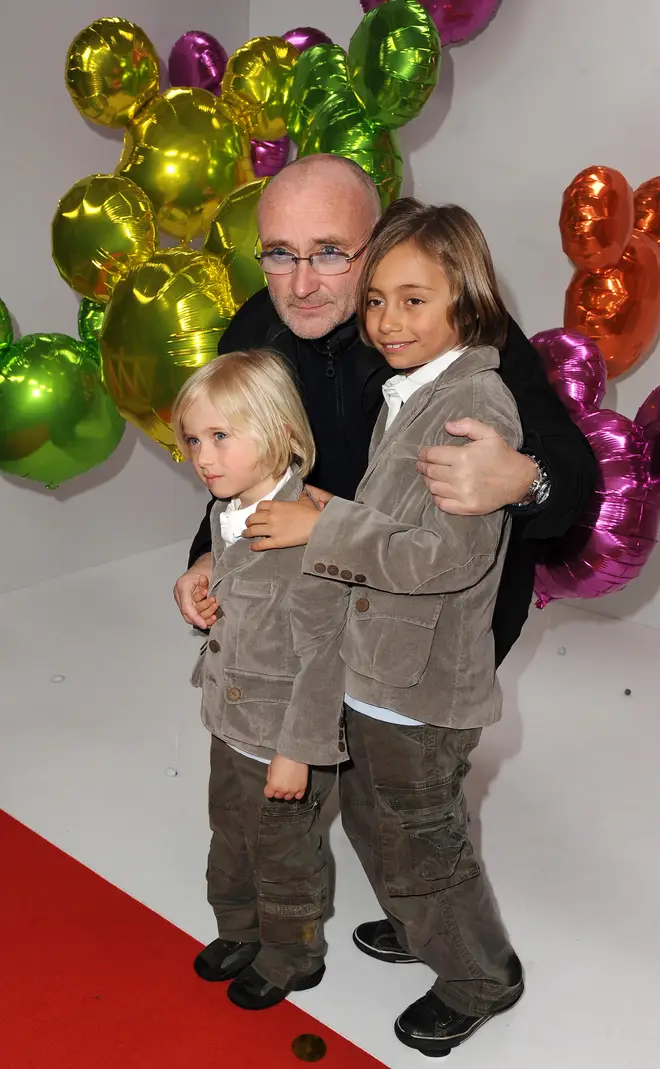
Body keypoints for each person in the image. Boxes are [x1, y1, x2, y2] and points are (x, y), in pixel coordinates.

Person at [246, 198, 527, 1056]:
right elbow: (399, 516)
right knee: (376, 817)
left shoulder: (470, 404)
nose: (388, 320)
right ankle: (423, 922)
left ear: (465, 302)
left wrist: (322, 529)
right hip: (381, 671)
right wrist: (340, 506)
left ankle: (479, 971)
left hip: (424, 684)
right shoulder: (415, 391)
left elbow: (445, 558)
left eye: (415, 300)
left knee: (419, 834)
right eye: (377, 300)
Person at [175, 154, 597, 674]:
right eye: (281, 254)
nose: (301, 285)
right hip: (303, 625)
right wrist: (209, 554)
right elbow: (241, 466)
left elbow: (573, 472)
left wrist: (524, 480)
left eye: (330, 253)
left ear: (377, 244)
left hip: (431, 645)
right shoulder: (253, 332)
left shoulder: (455, 323)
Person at [171, 349, 349, 1011]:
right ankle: (239, 930)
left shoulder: (308, 529)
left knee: (287, 857)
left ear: (278, 432)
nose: (203, 455)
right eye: (193, 438)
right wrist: (203, 580)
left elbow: (326, 655)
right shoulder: (231, 511)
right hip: (232, 721)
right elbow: (238, 581)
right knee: (230, 839)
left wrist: (297, 750)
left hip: (284, 737)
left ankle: (293, 953)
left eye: (221, 436)